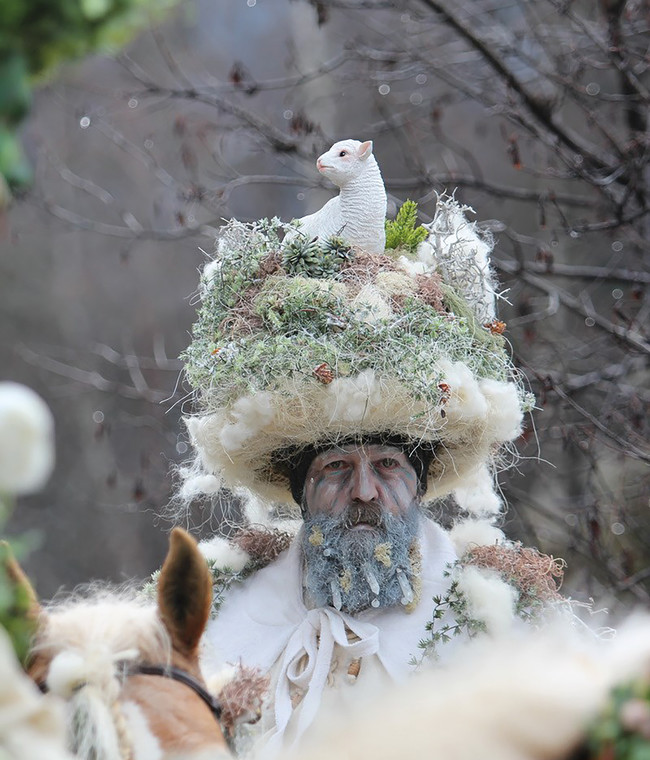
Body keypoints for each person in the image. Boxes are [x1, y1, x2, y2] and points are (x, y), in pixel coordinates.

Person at [201, 437, 462, 754]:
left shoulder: (477, 622)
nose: (364, 491)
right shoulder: (223, 615)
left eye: (387, 464)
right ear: (303, 493)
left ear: (417, 487)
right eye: (336, 465)